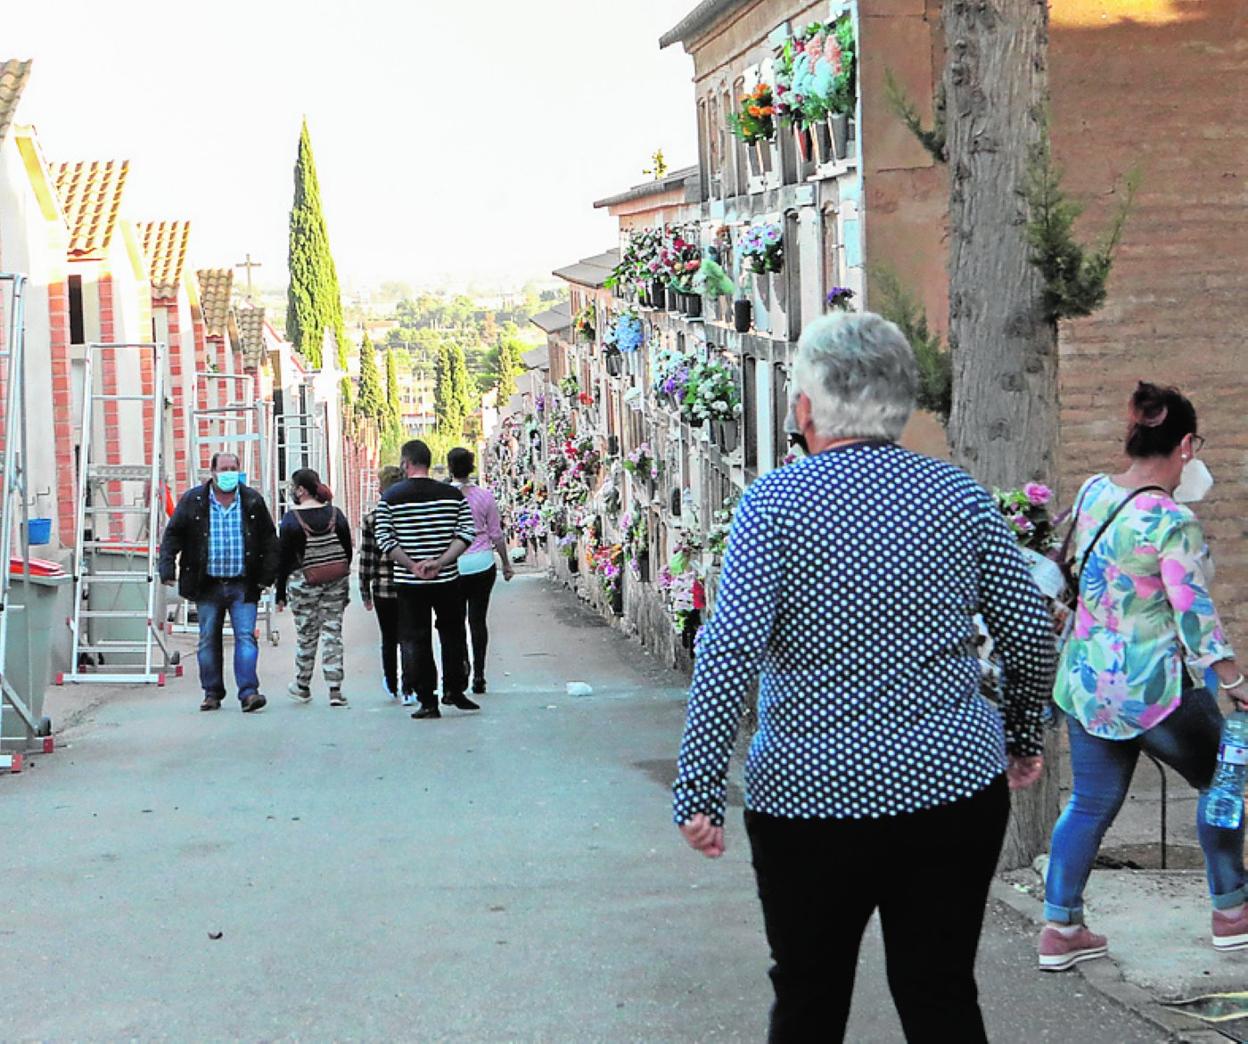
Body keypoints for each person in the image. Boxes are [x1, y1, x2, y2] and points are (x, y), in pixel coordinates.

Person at [672, 313, 1057, 1042]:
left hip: (808, 797)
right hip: (950, 785)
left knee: (809, 997)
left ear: (807, 408)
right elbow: (1028, 629)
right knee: (939, 990)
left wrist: (699, 790)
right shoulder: (957, 495)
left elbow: (730, 651)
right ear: (902, 402)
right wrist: (1019, 733)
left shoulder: (775, 506)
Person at [1041, 382, 1248, 969]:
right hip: (1157, 693)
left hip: (1089, 688)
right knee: (1220, 787)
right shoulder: (1171, 519)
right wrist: (1233, 681)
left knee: (1088, 803)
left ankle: (1060, 927)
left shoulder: (1093, 492)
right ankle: (1232, 913)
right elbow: (1194, 613)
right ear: (1185, 446)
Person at [160, 452, 278, 713]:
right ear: (212, 472)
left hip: (243, 584)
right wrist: (167, 566)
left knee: (246, 637)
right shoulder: (194, 500)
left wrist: (267, 577)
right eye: (223, 468)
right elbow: (173, 534)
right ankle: (211, 693)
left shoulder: (252, 501)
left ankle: (249, 693)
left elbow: (270, 540)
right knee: (207, 640)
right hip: (207, 584)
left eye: (233, 468)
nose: (228, 473)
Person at [375, 439, 478, 720]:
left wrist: (412, 565)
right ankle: (454, 689)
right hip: (447, 578)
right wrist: (441, 561)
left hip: (409, 582)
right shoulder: (451, 495)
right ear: (429, 463)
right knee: (453, 633)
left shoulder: (390, 498)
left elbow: (385, 539)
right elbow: (467, 533)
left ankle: (427, 699)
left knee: (414, 638)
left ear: (406, 463)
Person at [275, 469, 353, 708]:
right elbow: (348, 550)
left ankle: (302, 685)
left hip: (302, 582)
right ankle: (335, 689)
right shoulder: (335, 513)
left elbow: (283, 560)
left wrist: (280, 594)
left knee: (307, 634)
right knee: (333, 631)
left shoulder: (291, 520)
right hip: (335, 580)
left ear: (300, 490)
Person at [446, 447, 513, 695]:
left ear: (450, 468)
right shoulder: (485, 496)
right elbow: (496, 533)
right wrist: (506, 563)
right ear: (472, 467)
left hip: (455, 563)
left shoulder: (446, 498)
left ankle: (462, 667)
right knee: (477, 620)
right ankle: (480, 675)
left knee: (456, 621)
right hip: (482, 562)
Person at [359, 465, 411, 703]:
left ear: (381, 489)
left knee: (388, 638)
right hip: (410, 583)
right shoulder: (410, 515)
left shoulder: (373, 519)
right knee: (410, 636)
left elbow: (367, 557)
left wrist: (364, 590)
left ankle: (391, 682)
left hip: (382, 587)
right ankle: (410, 683)